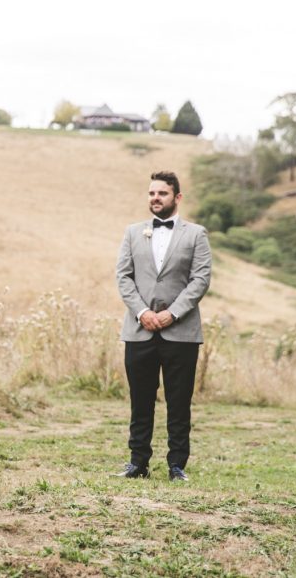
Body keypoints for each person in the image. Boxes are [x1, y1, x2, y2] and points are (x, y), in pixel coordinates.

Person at [114, 170, 211, 482]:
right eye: (152, 193)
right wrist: (142, 312)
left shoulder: (196, 234)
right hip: (139, 330)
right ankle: (137, 463)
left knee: (179, 402)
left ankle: (177, 465)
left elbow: (200, 279)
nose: (156, 198)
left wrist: (173, 313)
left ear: (177, 197)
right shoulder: (133, 232)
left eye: (162, 193)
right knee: (140, 401)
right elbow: (123, 277)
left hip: (181, 332)